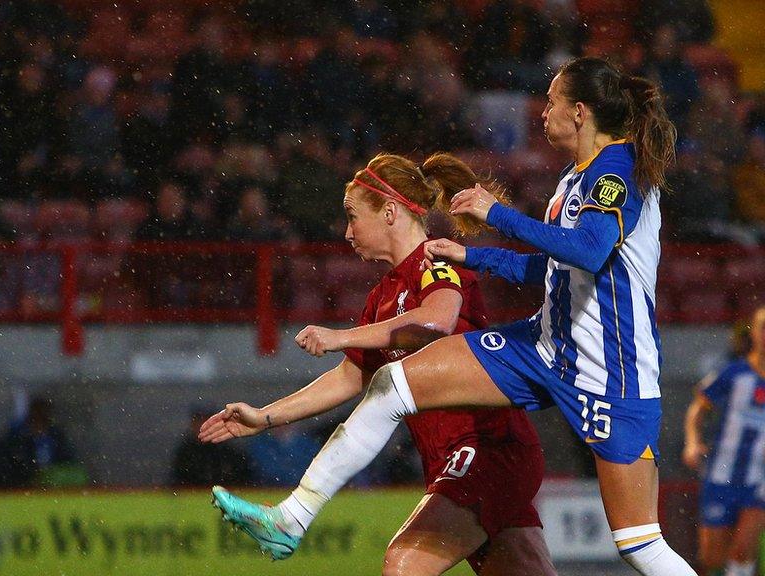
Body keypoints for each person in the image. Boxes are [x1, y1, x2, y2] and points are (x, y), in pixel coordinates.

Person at [207, 56, 692, 575]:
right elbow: (554, 273)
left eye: (550, 101)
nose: (542, 111)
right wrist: (474, 254)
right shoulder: (573, 181)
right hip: (545, 347)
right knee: (392, 384)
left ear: (579, 112)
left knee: (639, 544)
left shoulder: (618, 171)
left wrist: (496, 216)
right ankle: (294, 516)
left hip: (612, 371)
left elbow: (590, 252)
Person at [202, 152, 555, 574]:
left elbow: (436, 320)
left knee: (402, 565)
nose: (347, 232)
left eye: (352, 216)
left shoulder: (437, 258)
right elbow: (350, 378)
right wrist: (265, 417)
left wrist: (339, 336)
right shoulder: (383, 297)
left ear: (390, 211)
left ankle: (292, 516)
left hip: (485, 451)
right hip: (454, 458)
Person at [683, 306, 765, 576]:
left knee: (743, 551)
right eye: (763, 327)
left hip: (759, 478)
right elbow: (697, 409)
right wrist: (693, 443)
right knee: (712, 558)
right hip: (722, 474)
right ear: (754, 333)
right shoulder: (733, 373)